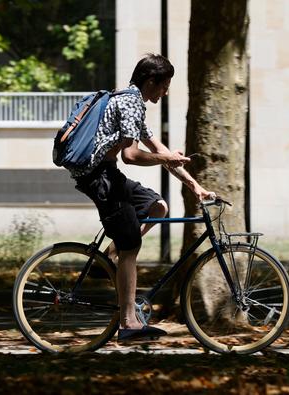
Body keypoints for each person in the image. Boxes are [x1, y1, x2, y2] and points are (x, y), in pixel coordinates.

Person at [70, 54, 214, 341]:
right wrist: (166, 156)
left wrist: (194, 186)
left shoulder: (132, 103)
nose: (166, 91)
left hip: (108, 174)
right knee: (131, 245)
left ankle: (109, 257)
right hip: (98, 177)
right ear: (152, 81)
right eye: (165, 85)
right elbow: (131, 155)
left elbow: (161, 152)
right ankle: (128, 323)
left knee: (157, 206)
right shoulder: (130, 102)